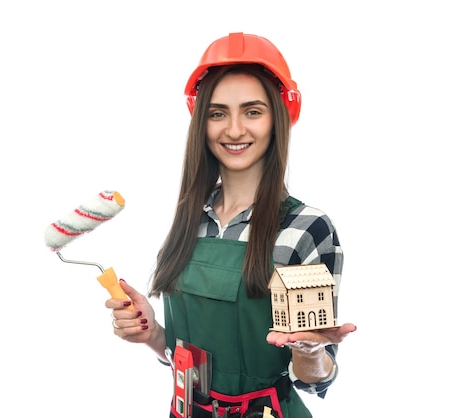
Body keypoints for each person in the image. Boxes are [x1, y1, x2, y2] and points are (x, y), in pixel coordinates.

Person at [106, 32, 357, 418]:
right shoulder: (191, 219)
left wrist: (311, 350)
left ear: (278, 119)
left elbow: (314, 379)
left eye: (252, 111)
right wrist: (152, 333)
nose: (235, 130)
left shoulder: (305, 229)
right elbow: (188, 361)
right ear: (201, 122)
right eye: (218, 113)